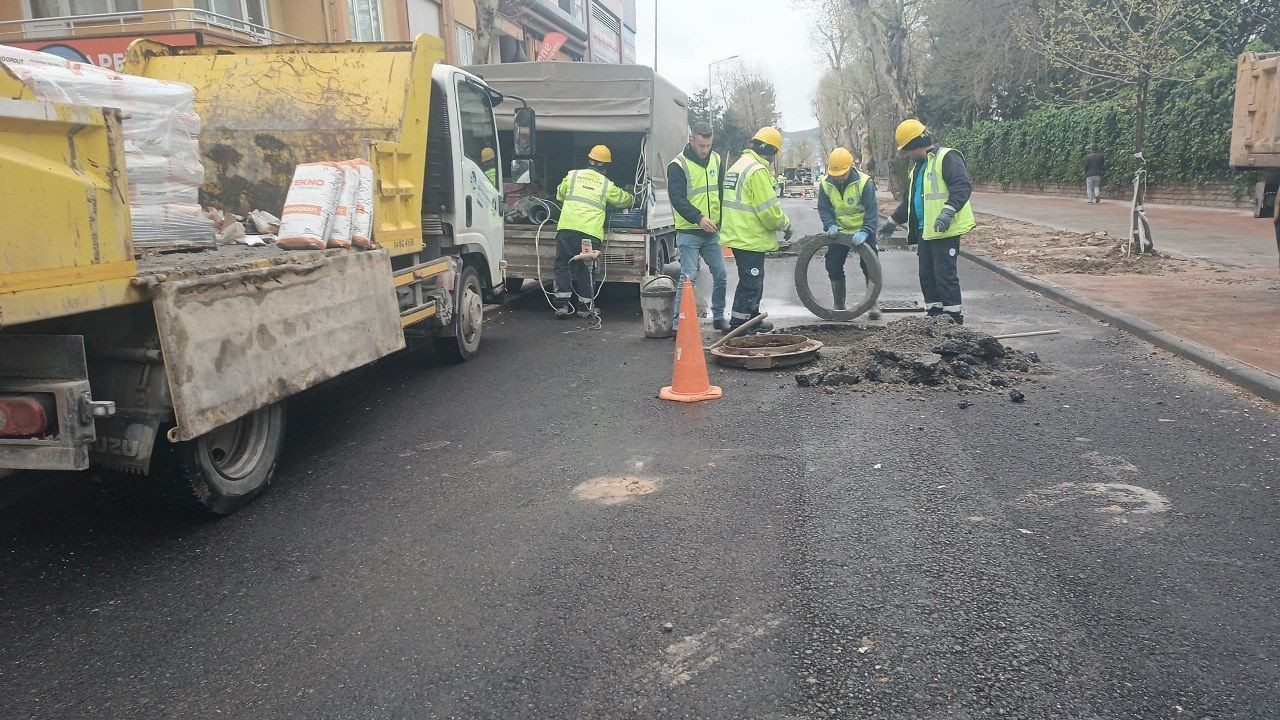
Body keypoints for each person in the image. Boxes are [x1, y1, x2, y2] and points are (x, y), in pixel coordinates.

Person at [879, 119, 975, 325]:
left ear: (916, 144)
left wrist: (948, 212)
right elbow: (909, 204)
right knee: (927, 277)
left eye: (908, 150)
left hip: (945, 231)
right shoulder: (917, 169)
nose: (908, 155)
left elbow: (962, 186)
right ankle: (934, 318)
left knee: (945, 277)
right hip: (925, 232)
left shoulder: (947, 157)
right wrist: (891, 222)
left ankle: (953, 320)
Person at [720, 126, 792, 334]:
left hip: (738, 233)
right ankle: (739, 325)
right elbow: (769, 213)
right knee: (751, 281)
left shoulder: (739, 165)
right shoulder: (757, 171)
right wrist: (785, 224)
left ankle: (752, 319)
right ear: (771, 151)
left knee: (753, 278)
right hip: (748, 235)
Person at [552, 145, 634, 318]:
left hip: (567, 228)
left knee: (563, 265)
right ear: (605, 167)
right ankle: (584, 308)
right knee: (586, 268)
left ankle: (561, 306)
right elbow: (622, 200)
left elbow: (559, 195)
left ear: (589, 160)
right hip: (590, 233)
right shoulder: (606, 184)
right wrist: (633, 196)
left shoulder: (572, 175)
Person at [668, 122, 729, 330]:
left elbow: (721, 192)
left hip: (712, 233)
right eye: (702, 145)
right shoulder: (678, 165)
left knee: (720, 275)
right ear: (691, 140)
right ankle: (678, 325)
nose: (705, 150)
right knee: (688, 279)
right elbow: (677, 198)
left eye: (709, 145)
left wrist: (722, 220)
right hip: (689, 232)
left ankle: (719, 317)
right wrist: (699, 218)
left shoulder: (717, 159)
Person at [817, 146, 880, 317]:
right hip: (839, 231)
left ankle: (871, 303)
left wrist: (866, 231)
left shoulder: (864, 182)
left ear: (850, 167)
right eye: (835, 175)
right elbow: (823, 208)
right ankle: (839, 305)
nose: (838, 178)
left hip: (862, 231)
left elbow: (872, 210)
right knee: (833, 265)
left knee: (869, 265)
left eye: (841, 175)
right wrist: (829, 224)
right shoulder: (825, 183)